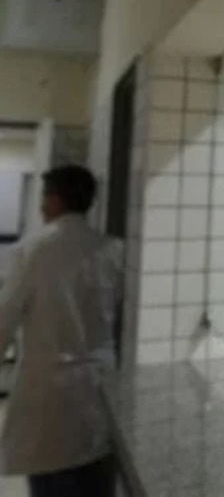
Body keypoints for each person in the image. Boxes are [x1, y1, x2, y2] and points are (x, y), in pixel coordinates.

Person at [0, 166, 121, 497]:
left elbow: (3, 322)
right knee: (94, 483)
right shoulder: (113, 249)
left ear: (54, 201)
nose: (41, 207)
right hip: (99, 389)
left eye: (44, 198)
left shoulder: (32, 250)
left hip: (48, 396)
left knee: (52, 484)